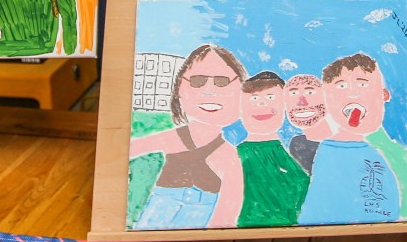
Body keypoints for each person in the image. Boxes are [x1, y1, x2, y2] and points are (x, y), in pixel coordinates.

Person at [129, 44, 246, 229]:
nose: (209, 91)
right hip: (152, 224)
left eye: (222, 81)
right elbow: (125, 153)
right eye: (198, 81)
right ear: (179, 90)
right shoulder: (172, 138)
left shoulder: (228, 157)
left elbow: (227, 214)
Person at [298, 53, 400, 224]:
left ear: (384, 95)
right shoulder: (329, 154)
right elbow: (317, 211)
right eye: (341, 85)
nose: (352, 94)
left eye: (362, 84)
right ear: (326, 98)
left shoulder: (385, 151)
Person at [235, 71, 309, 227]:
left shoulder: (291, 150)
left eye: (270, 97)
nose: (262, 104)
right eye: (254, 98)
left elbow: (302, 185)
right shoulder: (237, 155)